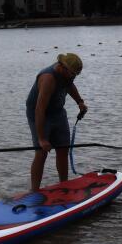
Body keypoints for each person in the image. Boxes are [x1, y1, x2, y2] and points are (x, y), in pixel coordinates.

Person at [26, 52, 88, 191]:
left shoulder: (67, 75)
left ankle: (64, 185)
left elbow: (70, 85)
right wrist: (42, 139)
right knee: (41, 153)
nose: (73, 77)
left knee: (63, 149)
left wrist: (80, 102)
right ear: (62, 67)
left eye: (76, 75)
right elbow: (39, 109)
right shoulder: (48, 78)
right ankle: (34, 190)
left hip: (58, 112)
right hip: (39, 114)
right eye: (72, 73)